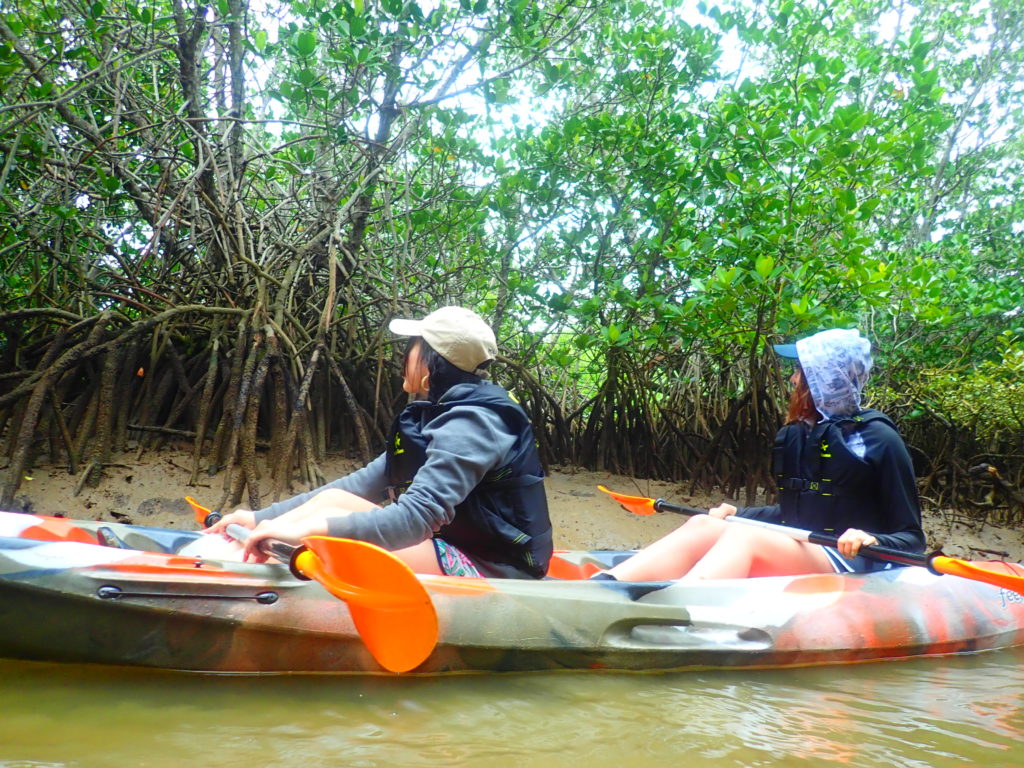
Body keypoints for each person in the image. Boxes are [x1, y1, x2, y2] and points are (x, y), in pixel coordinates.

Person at [204, 306, 553, 579]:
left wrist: (308, 531)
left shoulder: (474, 424)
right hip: (451, 546)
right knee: (335, 499)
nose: (405, 356)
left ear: (432, 365)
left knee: (326, 532)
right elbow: (359, 485)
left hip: (493, 567)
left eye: (413, 348)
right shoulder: (436, 414)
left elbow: (415, 518)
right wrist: (260, 518)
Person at [597, 328, 925, 582]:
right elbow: (795, 512)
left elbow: (911, 538)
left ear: (825, 379)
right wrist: (739, 512)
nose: (793, 379)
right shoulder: (801, 432)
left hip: (852, 561)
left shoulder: (879, 439)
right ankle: (606, 586)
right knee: (703, 524)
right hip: (806, 547)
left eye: (800, 371)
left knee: (746, 539)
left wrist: (869, 537)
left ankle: (681, 604)